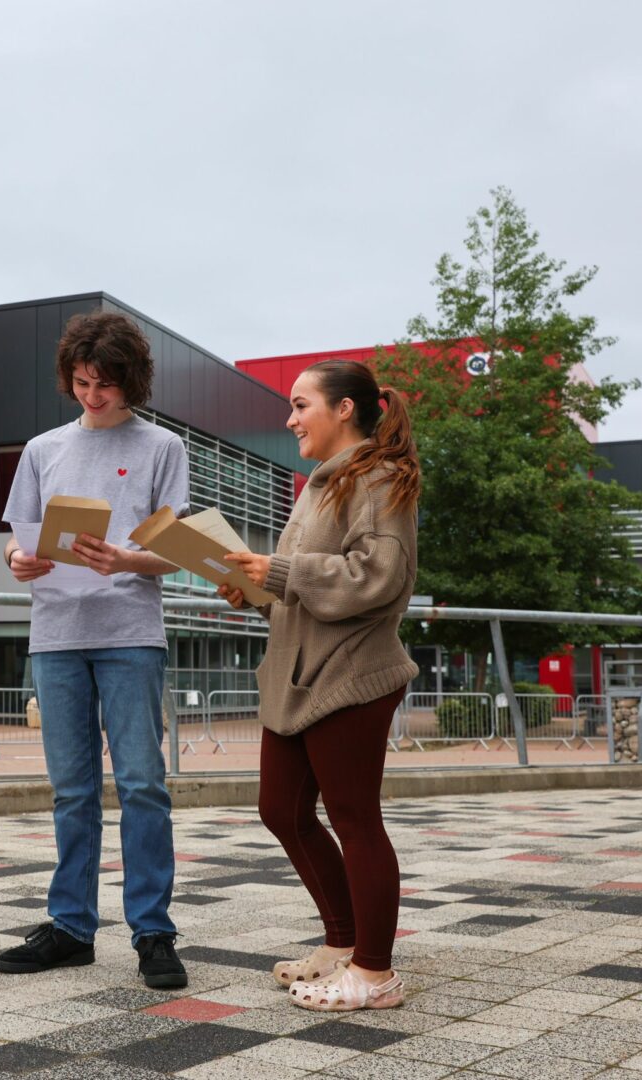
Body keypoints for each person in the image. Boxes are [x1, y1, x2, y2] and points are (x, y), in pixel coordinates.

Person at [0, 311, 190, 990]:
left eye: (104, 385)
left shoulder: (163, 447)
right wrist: (21, 559)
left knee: (142, 785)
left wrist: (127, 559)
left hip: (129, 634)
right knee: (71, 791)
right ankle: (72, 927)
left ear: (129, 381)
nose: (91, 395)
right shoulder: (43, 448)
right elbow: (18, 540)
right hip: (54, 634)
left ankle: (154, 932)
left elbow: (176, 553)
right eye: (81, 382)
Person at [219, 358, 421, 1012]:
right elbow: (304, 582)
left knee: (356, 819)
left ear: (344, 410)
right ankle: (342, 942)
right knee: (280, 810)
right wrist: (254, 590)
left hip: (351, 674)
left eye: (302, 404)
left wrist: (279, 570)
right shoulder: (321, 483)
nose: (290, 417)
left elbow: (378, 576)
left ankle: (375, 972)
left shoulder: (380, 478)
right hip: (299, 675)